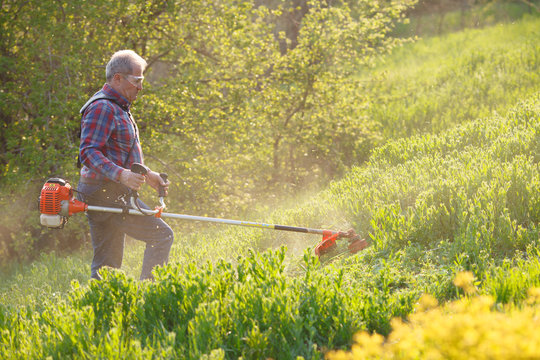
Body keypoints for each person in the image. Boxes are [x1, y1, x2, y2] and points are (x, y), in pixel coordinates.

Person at [77, 50, 174, 280]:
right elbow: (88, 152)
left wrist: (147, 174)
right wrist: (121, 175)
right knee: (161, 235)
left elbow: (119, 151)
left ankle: (100, 310)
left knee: (107, 267)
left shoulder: (120, 107)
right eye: (137, 81)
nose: (140, 87)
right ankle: (151, 299)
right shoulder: (103, 107)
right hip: (104, 195)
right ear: (118, 78)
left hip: (109, 193)